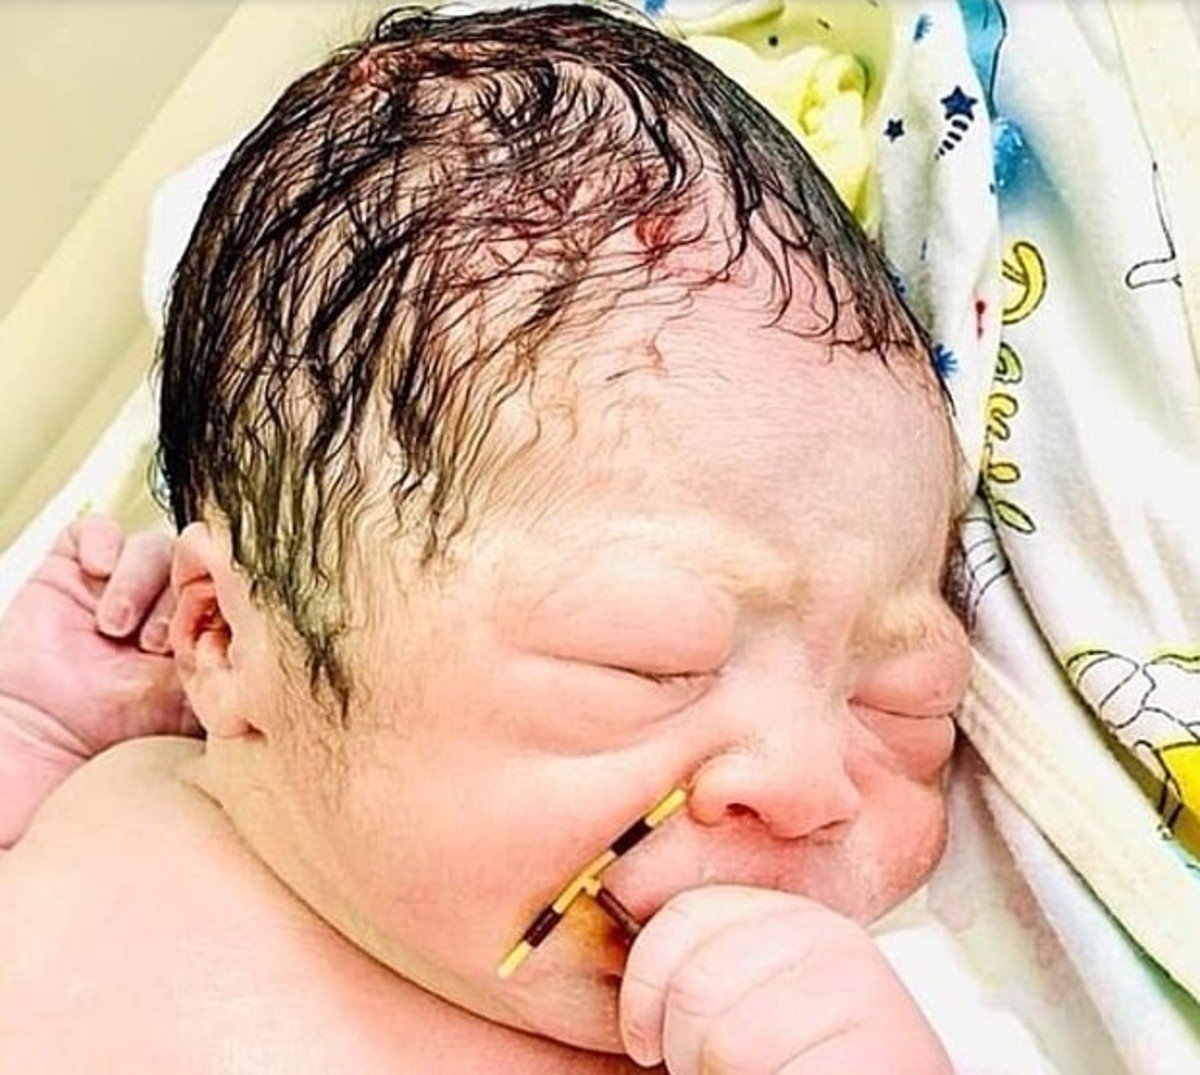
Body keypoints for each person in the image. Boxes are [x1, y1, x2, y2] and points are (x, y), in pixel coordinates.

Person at [0, 7, 1053, 1072]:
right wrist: (35, 725)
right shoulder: (121, 800)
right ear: (223, 634)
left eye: (902, 706)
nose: (809, 783)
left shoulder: (798, 1028)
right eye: (651, 663)